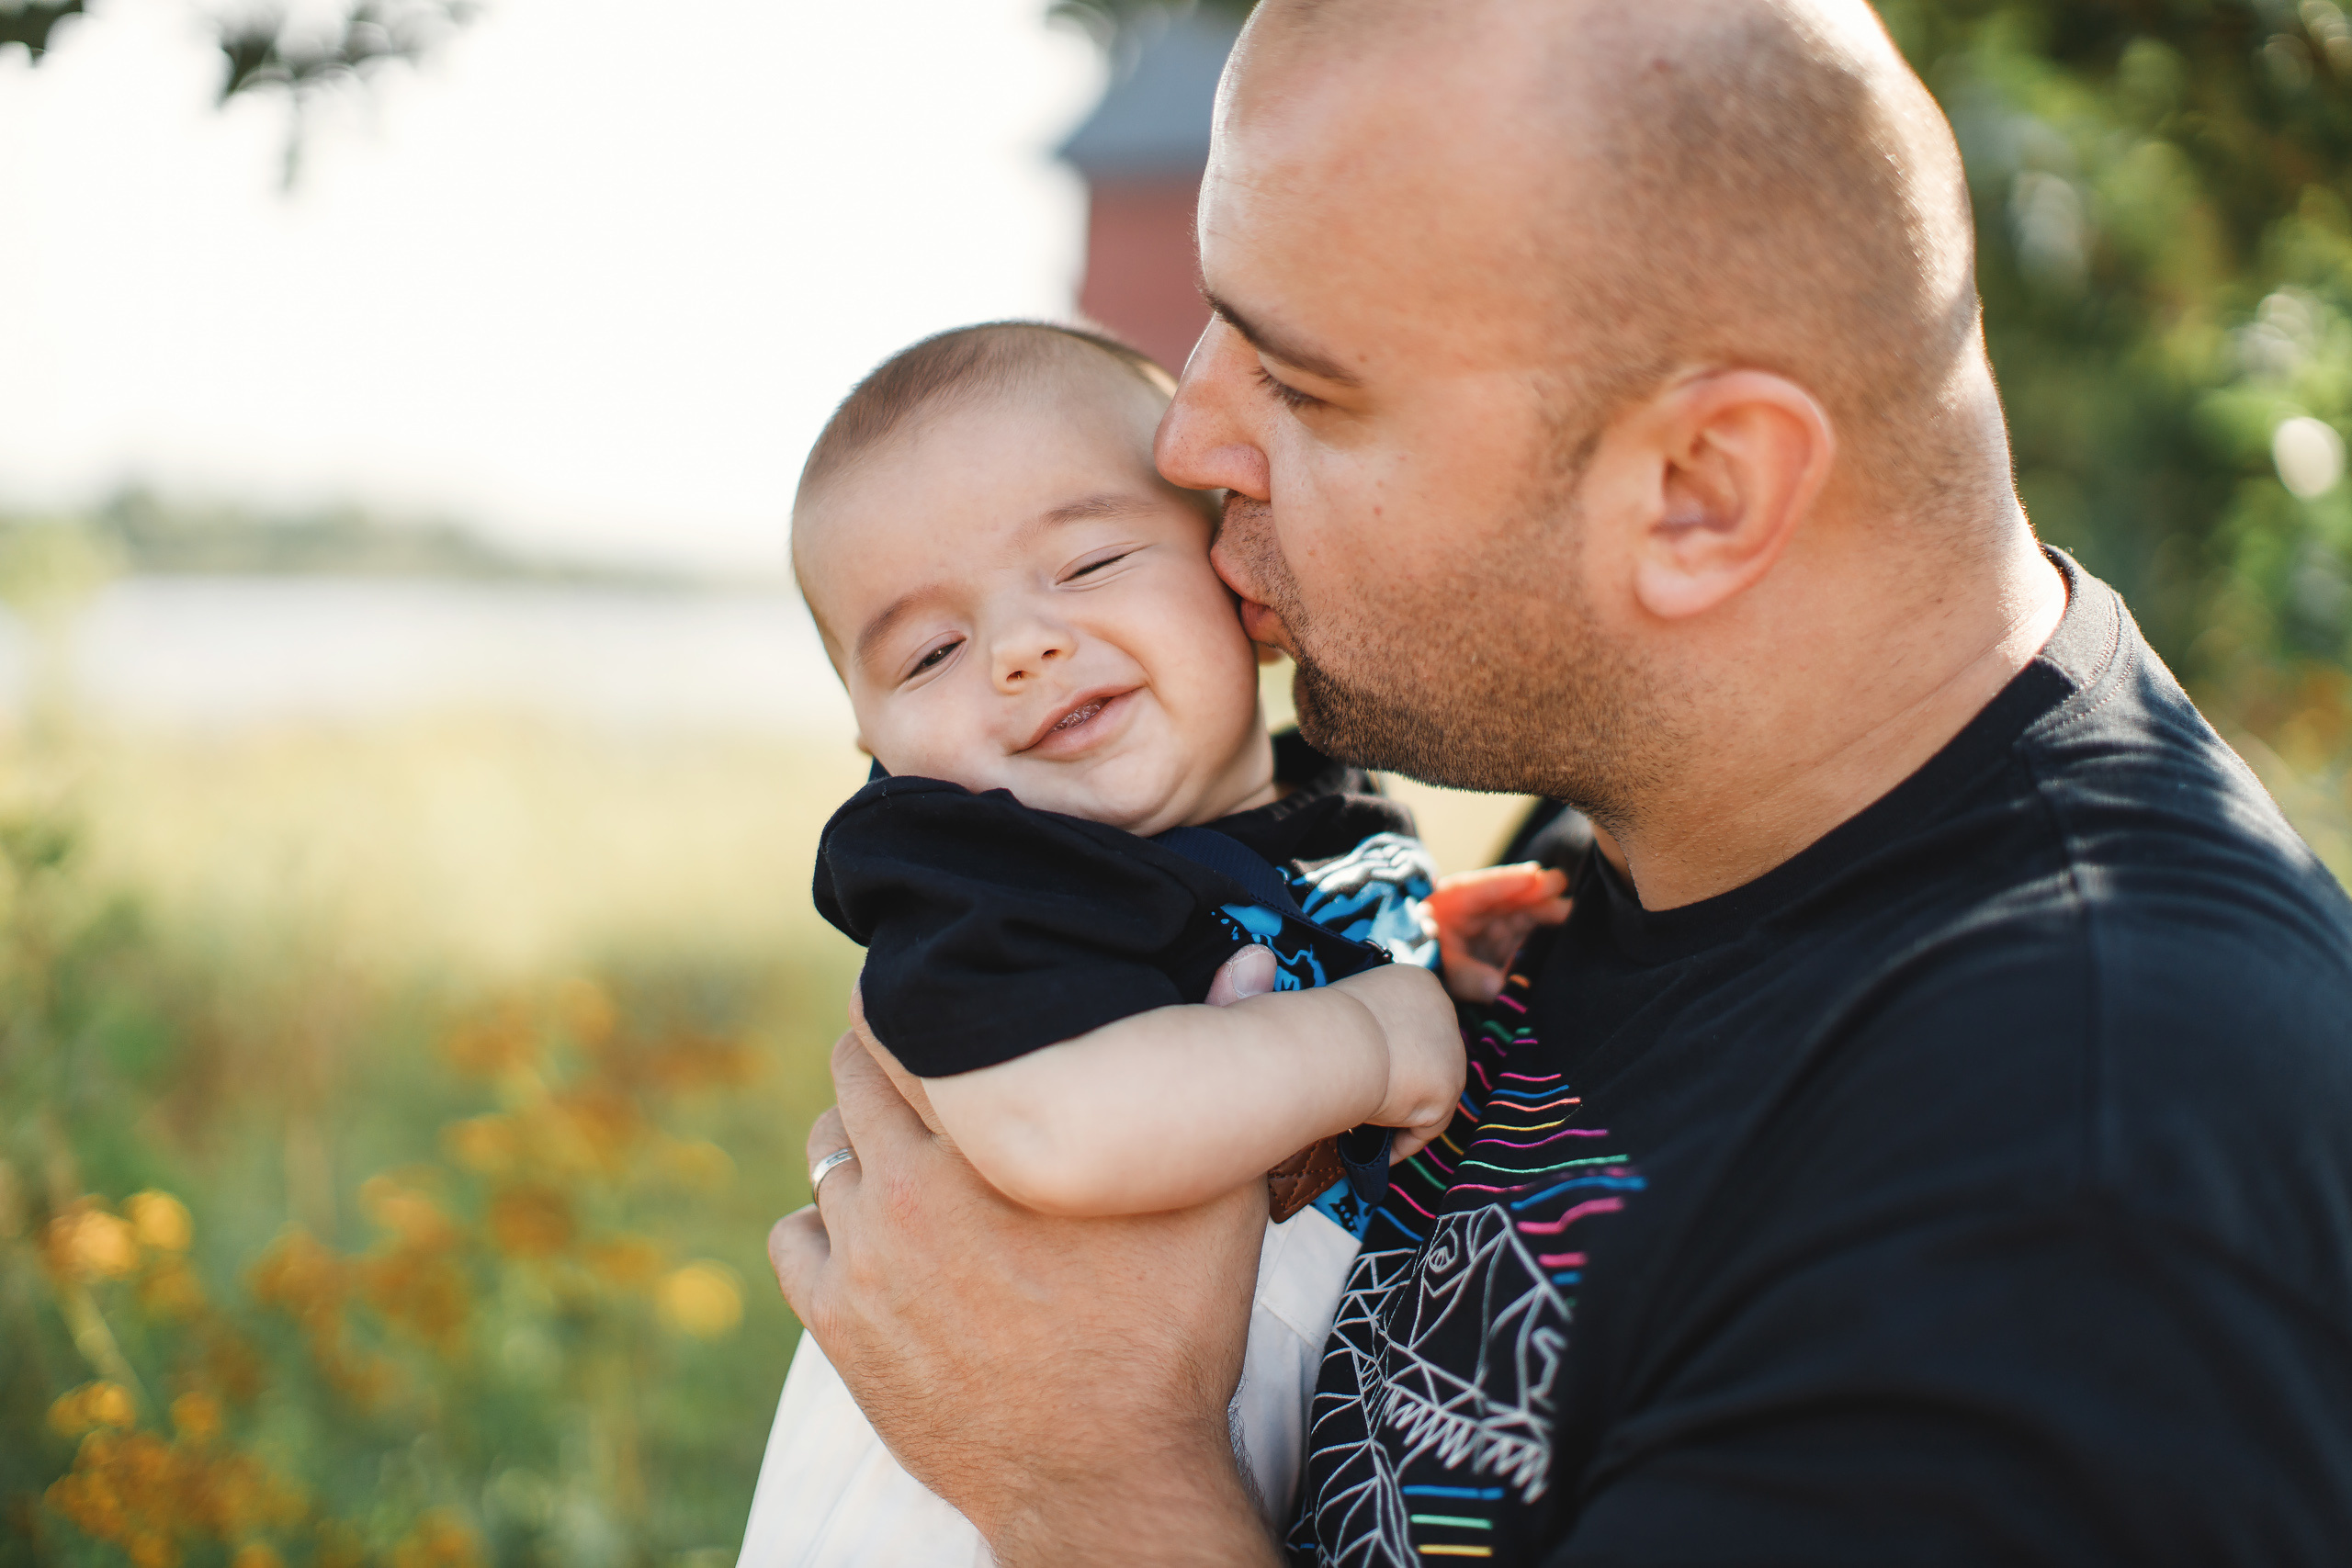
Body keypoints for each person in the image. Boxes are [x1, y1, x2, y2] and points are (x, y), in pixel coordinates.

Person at [769, 1, 2352, 1562]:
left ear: (1699, 491)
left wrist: (1082, 1477)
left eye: (1302, 385)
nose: (1186, 443)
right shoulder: (1628, 830)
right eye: (1215, 320)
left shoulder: (2075, 1182)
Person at [741, 321, 1572, 1564]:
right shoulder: (986, 877)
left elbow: (1320, 939)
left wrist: (1447, 960)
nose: (1020, 648)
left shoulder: (1325, 810)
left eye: (1088, 563)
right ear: (876, 749)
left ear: (1231, 575)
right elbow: (1062, 1127)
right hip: (962, 1507)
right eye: (930, 653)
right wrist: (1363, 1041)